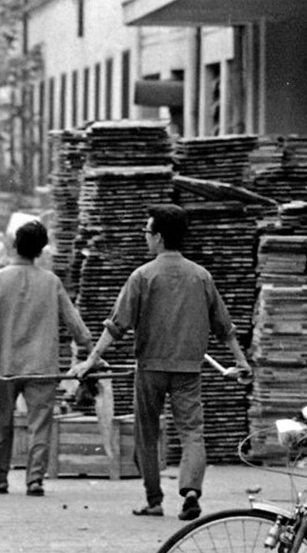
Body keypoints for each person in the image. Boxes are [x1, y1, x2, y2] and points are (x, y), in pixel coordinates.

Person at [70, 204, 251, 521]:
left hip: (150, 368)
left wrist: (90, 360)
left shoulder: (143, 276)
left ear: (159, 237)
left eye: (147, 232)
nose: (145, 238)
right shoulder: (201, 277)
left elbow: (116, 326)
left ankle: (154, 500)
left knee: (147, 432)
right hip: (188, 369)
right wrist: (240, 360)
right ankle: (191, 490)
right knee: (192, 431)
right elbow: (224, 326)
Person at [0, 220, 92, 496]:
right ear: (41, 251)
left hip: (4, 366)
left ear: (15, 245)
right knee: (39, 423)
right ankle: (35, 479)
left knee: (0, 421)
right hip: (42, 366)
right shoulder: (51, 282)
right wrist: (90, 353)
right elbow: (75, 324)